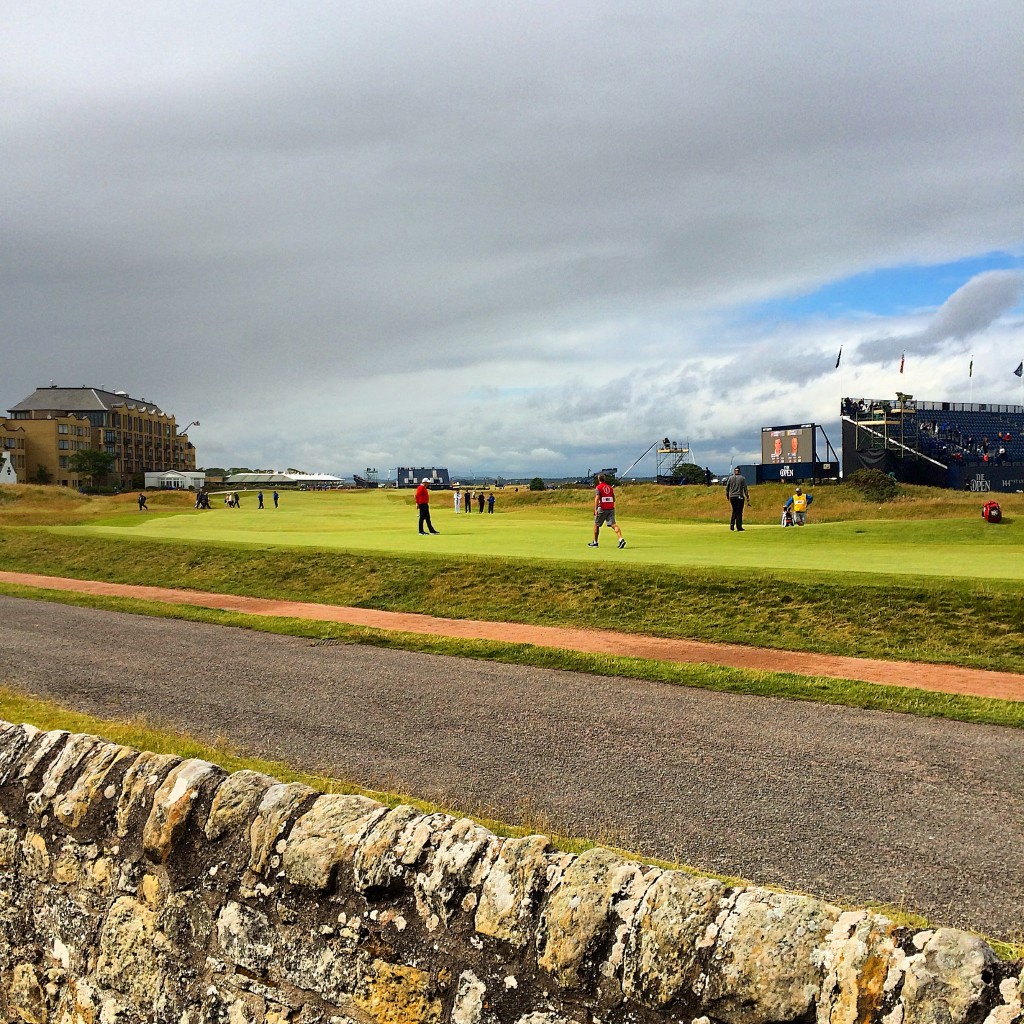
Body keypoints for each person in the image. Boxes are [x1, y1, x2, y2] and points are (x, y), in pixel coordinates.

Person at [588, 473, 625, 548]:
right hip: (611, 508)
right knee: (613, 524)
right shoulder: (610, 488)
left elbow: (597, 498)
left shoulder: (599, 487)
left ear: (599, 479)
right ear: (605, 479)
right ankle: (621, 539)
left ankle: (595, 542)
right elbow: (613, 499)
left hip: (602, 508)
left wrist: (595, 509)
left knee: (596, 524)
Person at [725, 467, 750, 531]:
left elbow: (727, 488)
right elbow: (745, 489)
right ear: (739, 471)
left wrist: (727, 496)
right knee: (739, 512)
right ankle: (739, 526)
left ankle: (732, 524)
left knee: (734, 510)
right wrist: (747, 497)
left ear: (734, 471)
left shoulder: (730, 478)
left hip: (732, 497)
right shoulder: (742, 478)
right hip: (739, 496)